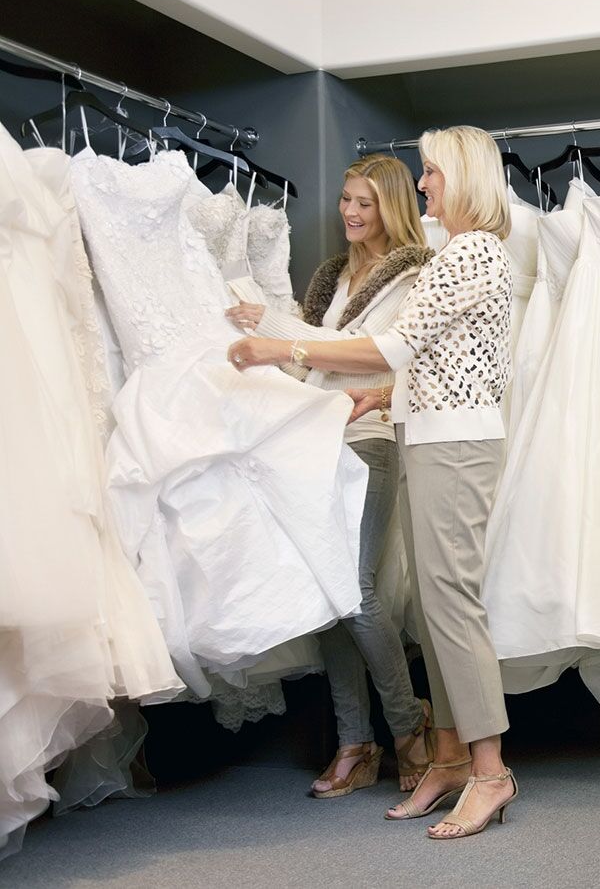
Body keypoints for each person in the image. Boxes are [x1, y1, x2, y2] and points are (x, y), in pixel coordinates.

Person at [228, 125, 517, 840]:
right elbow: (452, 360)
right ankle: (448, 756)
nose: (423, 186)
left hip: (454, 448)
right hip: (434, 437)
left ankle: (491, 771)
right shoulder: (464, 254)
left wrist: (279, 343)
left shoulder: (470, 252)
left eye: (432, 174)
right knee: (436, 610)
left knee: (453, 609)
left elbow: (394, 346)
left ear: (466, 179)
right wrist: (385, 398)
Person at [225, 154, 436, 799]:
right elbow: (320, 359)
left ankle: (407, 728)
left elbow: (369, 355)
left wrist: (275, 335)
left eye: (364, 203)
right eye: (346, 199)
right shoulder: (334, 277)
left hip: (369, 440)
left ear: (390, 208)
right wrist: (265, 326)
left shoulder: (413, 275)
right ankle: (354, 741)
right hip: (315, 439)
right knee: (326, 591)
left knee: (357, 590)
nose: (349, 212)